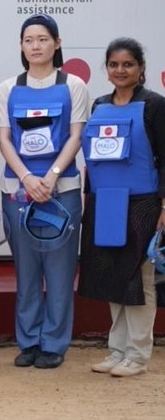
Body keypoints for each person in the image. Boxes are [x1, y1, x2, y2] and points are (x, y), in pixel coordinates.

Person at [0, 13, 88, 369]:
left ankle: (54, 344)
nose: (36, 46)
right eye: (29, 40)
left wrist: (49, 176)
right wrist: (27, 179)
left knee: (60, 272)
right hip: (18, 192)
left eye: (43, 39)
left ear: (57, 44)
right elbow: (3, 139)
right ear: (21, 46)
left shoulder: (74, 85)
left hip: (60, 191)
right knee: (27, 270)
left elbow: (76, 136)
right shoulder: (8, 88)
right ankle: (29, 340)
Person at [78, 38, 165, 377]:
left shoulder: (155, 105)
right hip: (105, 203)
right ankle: (117, 350)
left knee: (139, 278)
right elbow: (92, 161)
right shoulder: (99, 105)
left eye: (127, 64)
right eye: (114, 65)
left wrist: (162, 206)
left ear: (140, 68)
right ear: (106, 69)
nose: (120, 70)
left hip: (142, 203)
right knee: (113, 277)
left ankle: (138, 354)